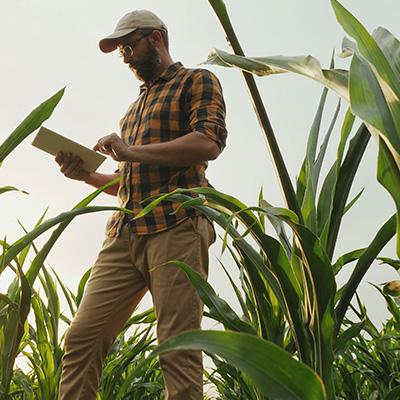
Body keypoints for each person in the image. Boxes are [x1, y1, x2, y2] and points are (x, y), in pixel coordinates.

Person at [55, 9, 227, 400]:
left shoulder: (196, 80)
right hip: (124, 234)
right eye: (121, 52)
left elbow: (208, 142)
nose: (126, 56)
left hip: (176, 225)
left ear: (155, 39)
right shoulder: (131, 112)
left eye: (129, 46)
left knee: (178, 347)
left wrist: (130, 151)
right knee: (81, 338)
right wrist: (86, 175)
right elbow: (128, 181)